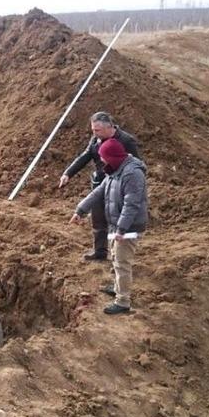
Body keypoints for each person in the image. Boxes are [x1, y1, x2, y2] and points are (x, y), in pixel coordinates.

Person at [70, 139, 148, 315]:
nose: (102, 161)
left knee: (122, 263)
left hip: (128, 227)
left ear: (112, 156)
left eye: (104, 158)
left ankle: (122, 301)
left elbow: (131, 204)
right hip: (117, 224)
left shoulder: (132, 174)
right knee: (115, 257)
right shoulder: (115, 171)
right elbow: (98, 192)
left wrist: (121, 229)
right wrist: (80, 210)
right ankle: (116, 286)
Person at [59, 111, 140, 261]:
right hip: (100, 183)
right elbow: (85, 156)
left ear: (109, 127)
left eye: (97, 130)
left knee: (117, 220)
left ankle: (120, 256)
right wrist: (68, 173)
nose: (94, 133)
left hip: (118, 186)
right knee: (98, 219)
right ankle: (100, 252)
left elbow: (136, 166)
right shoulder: (96, 139)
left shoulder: (126, 141)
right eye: (93, 130)